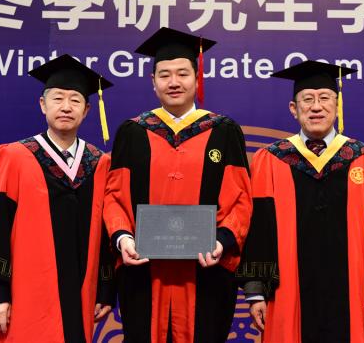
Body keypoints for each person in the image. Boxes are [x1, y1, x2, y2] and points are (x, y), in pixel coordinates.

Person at [103, 27, 252, 343]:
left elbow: (240, 197)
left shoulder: (223, 131)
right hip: (144, 272)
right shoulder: (132, 132)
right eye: (164, 74)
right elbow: (114, 195)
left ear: (197, 79)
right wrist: (123, 237)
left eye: (183, 74)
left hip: (206, 271)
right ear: (153, 81)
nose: (174, 82)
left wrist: (222, 240)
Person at [239, 60, 364, 343]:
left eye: (324, 98)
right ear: (294, 108)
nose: (316, 107)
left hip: (352, 290)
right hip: (286, 292)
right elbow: (259, 229)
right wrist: (255, 291)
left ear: (337, 106)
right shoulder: (271, 159)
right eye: (307, 99)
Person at [0, 54, 116, 343]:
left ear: (87, 110)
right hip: (25, 294)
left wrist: (105, 289)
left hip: (81, 296)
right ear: (42, 105)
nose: (66, 107)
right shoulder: (14, 157)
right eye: (57, 98)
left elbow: (105, 234)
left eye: (75, 100)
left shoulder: (99, 163)